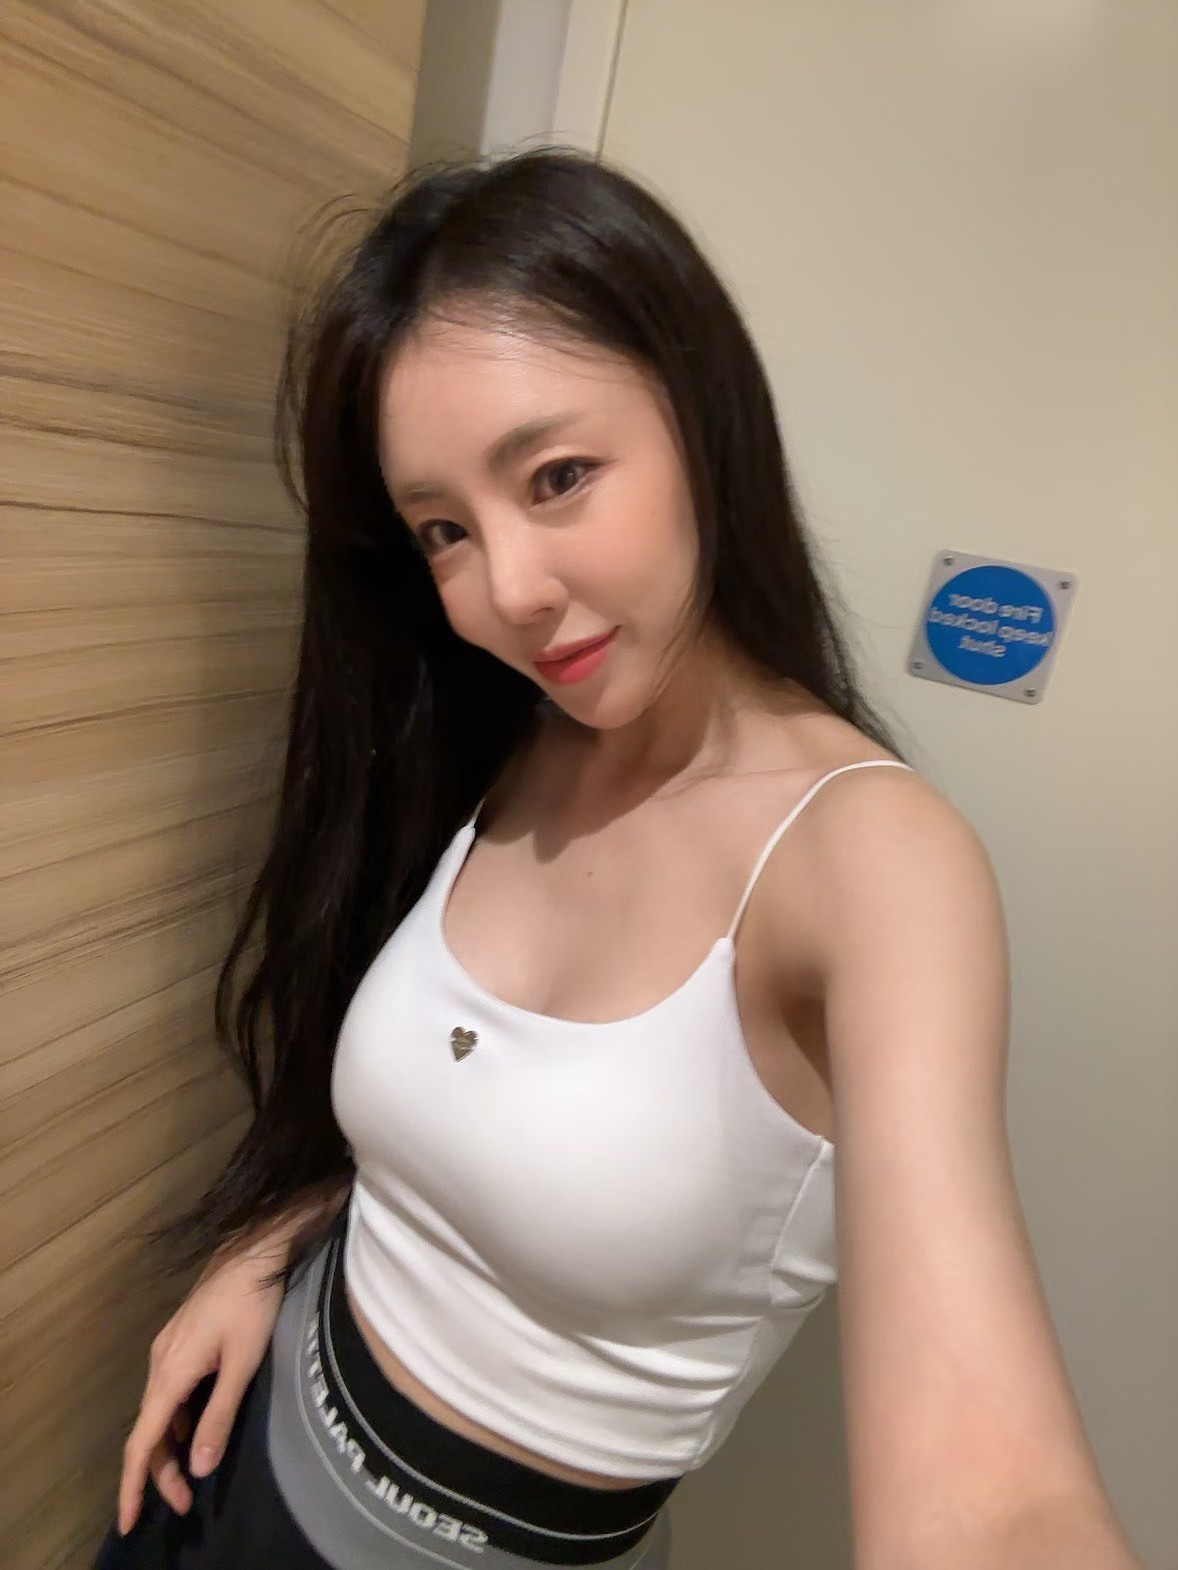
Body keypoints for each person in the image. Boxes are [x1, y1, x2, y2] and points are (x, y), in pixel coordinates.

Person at [97, 148, 1140, 1570]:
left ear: (703, 420)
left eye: (559, 476)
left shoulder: (873, 865)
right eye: (443, 530)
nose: (507, 590)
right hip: (224, 1465)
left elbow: (991, 1500)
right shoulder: (503, 738)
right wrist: (264, 1249)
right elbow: (443, 1122)